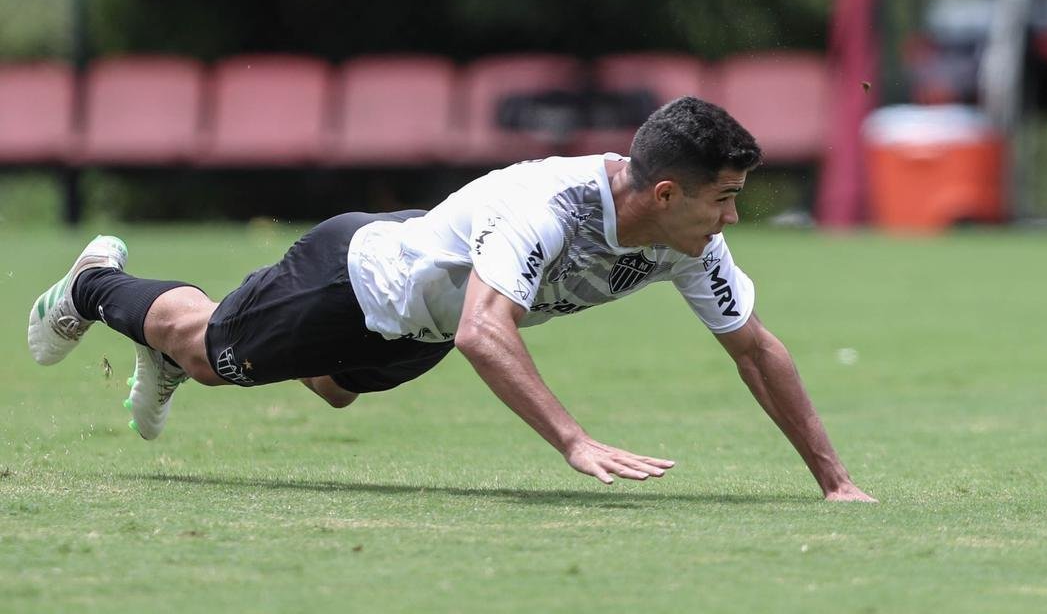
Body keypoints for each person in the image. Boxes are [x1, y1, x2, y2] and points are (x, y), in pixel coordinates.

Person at [28, 96, 874, 501]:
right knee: (213, 354)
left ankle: (170, 341)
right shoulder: (554, 208)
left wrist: (834, 484)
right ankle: (94, 282)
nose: (732, 217)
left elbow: (756, 349)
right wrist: (573, 441)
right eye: (723, 197)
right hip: (356, 280)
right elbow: (482, 332)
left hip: (416, 314)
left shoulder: (689, 242)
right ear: (662, 192)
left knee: (333, 390)